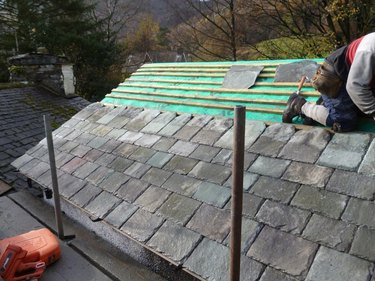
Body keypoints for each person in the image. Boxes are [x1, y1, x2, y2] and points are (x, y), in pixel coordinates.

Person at [282, 32, 375, 132]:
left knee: (363, 107)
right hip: (333, 78)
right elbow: (355, 86)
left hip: (352, 76)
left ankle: (325, 104)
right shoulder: (369, 51)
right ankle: (299, 105)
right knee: (345, 122)